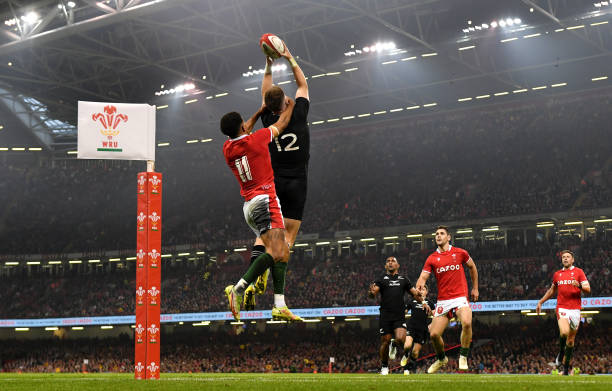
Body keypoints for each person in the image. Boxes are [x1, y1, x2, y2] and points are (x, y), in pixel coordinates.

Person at [220, 99, 302, 322]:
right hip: (264, 201)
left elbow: (243, 128)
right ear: (243, 127)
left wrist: (258, 112)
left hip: (250, 206)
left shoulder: (228, 149)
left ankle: (279, 305)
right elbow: (283, 123)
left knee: (282, 251)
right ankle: (238, 288)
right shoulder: (257, 140)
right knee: (276, 252)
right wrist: (291, 105)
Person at [244, 40, 310, 310]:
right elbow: (303, 85)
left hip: (274, 182)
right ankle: (267, 274)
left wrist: (269, 63)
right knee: (288, 239)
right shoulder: (300, 111)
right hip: (297, 181)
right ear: (286, 102)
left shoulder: (268, 121)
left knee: (264, 233)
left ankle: (255, 275)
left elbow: (265, 95)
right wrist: (289, 57)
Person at [416, 225, 479, 373]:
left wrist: (475, 288)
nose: (438, 236)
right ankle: (441, 358)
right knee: (434, 334)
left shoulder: (460, 253)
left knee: (467, 322)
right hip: (443, 301)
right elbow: (422, 279)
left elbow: (472, 267)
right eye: (436, 234)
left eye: (442, 233)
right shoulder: (432, 258)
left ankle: (463, 356)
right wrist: (420, 289)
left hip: (460, 297)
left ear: (448, 237)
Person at [536, 250, 590, 375]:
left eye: (568, 257)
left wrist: (579, 286)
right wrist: (540, 302)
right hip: (562, 307)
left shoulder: (579, 272)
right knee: (564, 332)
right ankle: (561, 350)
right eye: (563, 257)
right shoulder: (557, 274)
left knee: (570, 341)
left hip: (575, 309)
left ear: (572, 260)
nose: (565, 259)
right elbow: (551, 291)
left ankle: (565, 369)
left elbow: (588, 289)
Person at [369, 256, 425, 375]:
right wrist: (371, 293)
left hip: (399, 315)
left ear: (397, 265)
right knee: (385, 341)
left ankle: (394, 345)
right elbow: (373, 294)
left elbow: (414, 293)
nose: (390, 263)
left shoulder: (403, 279)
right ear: (385, 266)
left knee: (400, 339)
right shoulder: (381, 279)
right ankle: (384, 367)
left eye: (393, 261)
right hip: (385, 315)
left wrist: (421, 298)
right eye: (388, 261)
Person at [400, 285, 433, 375]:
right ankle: (406, 354)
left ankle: (407, 368)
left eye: (423, 289)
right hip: (412, 326)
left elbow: (435, 314)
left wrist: (432, 323)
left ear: (427, 292)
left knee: (415, 353)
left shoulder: (430, 303)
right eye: (420, 289)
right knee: (407, 345)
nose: (421, 291)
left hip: (422, 330)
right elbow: (405, 310)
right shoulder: (413, 300)